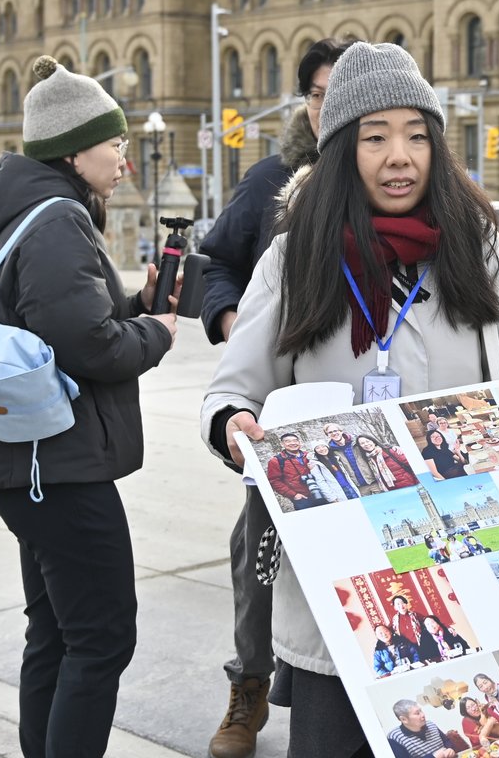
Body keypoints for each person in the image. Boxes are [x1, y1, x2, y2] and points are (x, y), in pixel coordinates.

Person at [201, 42, 499, 758]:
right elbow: (234, 389)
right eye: (376, 138)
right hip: (343, 579)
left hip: (466, 569)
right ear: (342, 151)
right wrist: (234, 422)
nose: (400, 157)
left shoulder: (477, 249)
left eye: (417, 136)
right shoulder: (294, 259)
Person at [0, 55, 178, 758]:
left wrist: (135, 304)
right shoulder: (57, 223)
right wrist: (157, 330)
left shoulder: (40, 215)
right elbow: (88, 345)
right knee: (103, 636)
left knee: (55, 633)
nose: (125, 159)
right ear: (74, 151)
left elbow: (63, 323)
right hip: (56, 468)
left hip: (33, 463)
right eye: (115, 143)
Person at [199, 38, 348, 758]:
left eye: (343, 89)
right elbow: (213, 262)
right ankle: (248, 688)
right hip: (279, 417)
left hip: (358, 421)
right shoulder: (271, 181)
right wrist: (234, 322)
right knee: (258, 553)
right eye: (319, 93)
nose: (332, 105)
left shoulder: (393, 183)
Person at [265, 432, 322, 510]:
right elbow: (274, 481)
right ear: (282, 444)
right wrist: (293, 495)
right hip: (302, 499)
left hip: (320, 492)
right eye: (288, 441)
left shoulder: (309, 455)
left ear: (299, 442)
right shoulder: (276, 461)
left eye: (295, 440)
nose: (292, 443)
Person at [385, 700, 456, 758]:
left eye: (421, 711)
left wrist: (450, 749)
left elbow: (446, 741)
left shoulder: (430, 724)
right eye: (417, 713)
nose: (423, 715)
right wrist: (433, 757)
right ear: (404, 719)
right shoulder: (394, 738)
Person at [323, 422, 371, 489]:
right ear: (327, 435)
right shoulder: (330, 450)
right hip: (356, 486)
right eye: (330, 432)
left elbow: (372, 446)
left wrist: (378, 449)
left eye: (335, 431)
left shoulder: (356, 441)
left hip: (372, 480)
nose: (333, 433)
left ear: (341, 431)